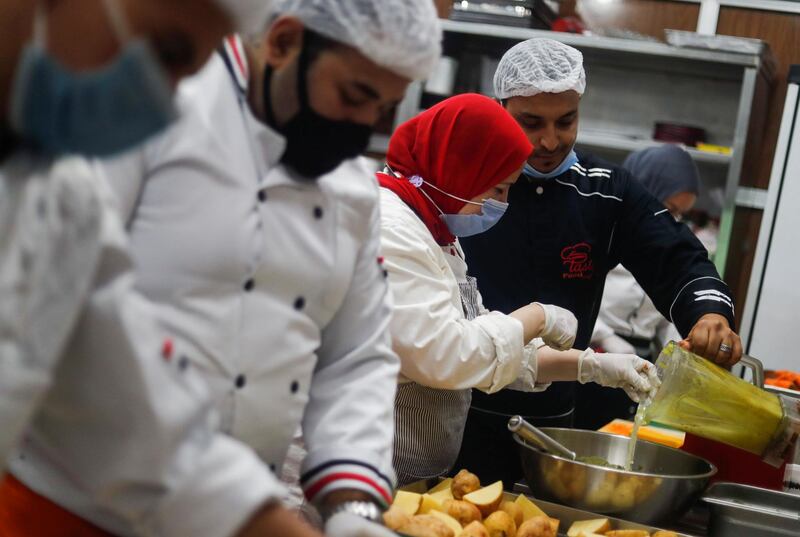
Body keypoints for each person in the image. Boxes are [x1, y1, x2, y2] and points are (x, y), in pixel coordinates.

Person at [89, 0, 442, 531]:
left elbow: (355, 356)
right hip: (77, 498)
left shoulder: (351, 190)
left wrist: (353, 508)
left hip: (241, 513)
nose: (363, 128)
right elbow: (87, 314)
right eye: (353, 96)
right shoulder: (155, 111)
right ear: (282, 42)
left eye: (384, 109)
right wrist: (243, 506)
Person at [0, 1, 336, 536]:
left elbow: (141, 417)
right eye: (165, 51)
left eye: (189, 72)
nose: (163, 105)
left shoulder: (57, 198)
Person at [455, 38, 742, 485]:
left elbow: (677, 257)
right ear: (501, 107)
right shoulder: (463, 180)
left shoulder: (608, 190)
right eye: (530, 122)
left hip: (554, 419)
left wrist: (709, 312)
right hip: (455, 412)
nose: (550, 140)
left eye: (566, 121)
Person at [377, 94, 659, 486]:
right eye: (496, 190)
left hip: (403, 478)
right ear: (459, 170)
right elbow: (448, 355)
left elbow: (482, 343)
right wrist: (537, 316)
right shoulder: (391, 231)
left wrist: (590, 366)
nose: (502, 205)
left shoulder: (436, 231)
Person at [590, 144, 700, 422]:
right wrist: (607, 338)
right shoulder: (605, 234)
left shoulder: (665, 252)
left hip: (642, 363)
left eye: (681, 215)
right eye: (669, 209)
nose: (672, 221)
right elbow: (575, 299)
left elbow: (666, 312)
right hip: (592, 357)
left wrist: (678, 350)